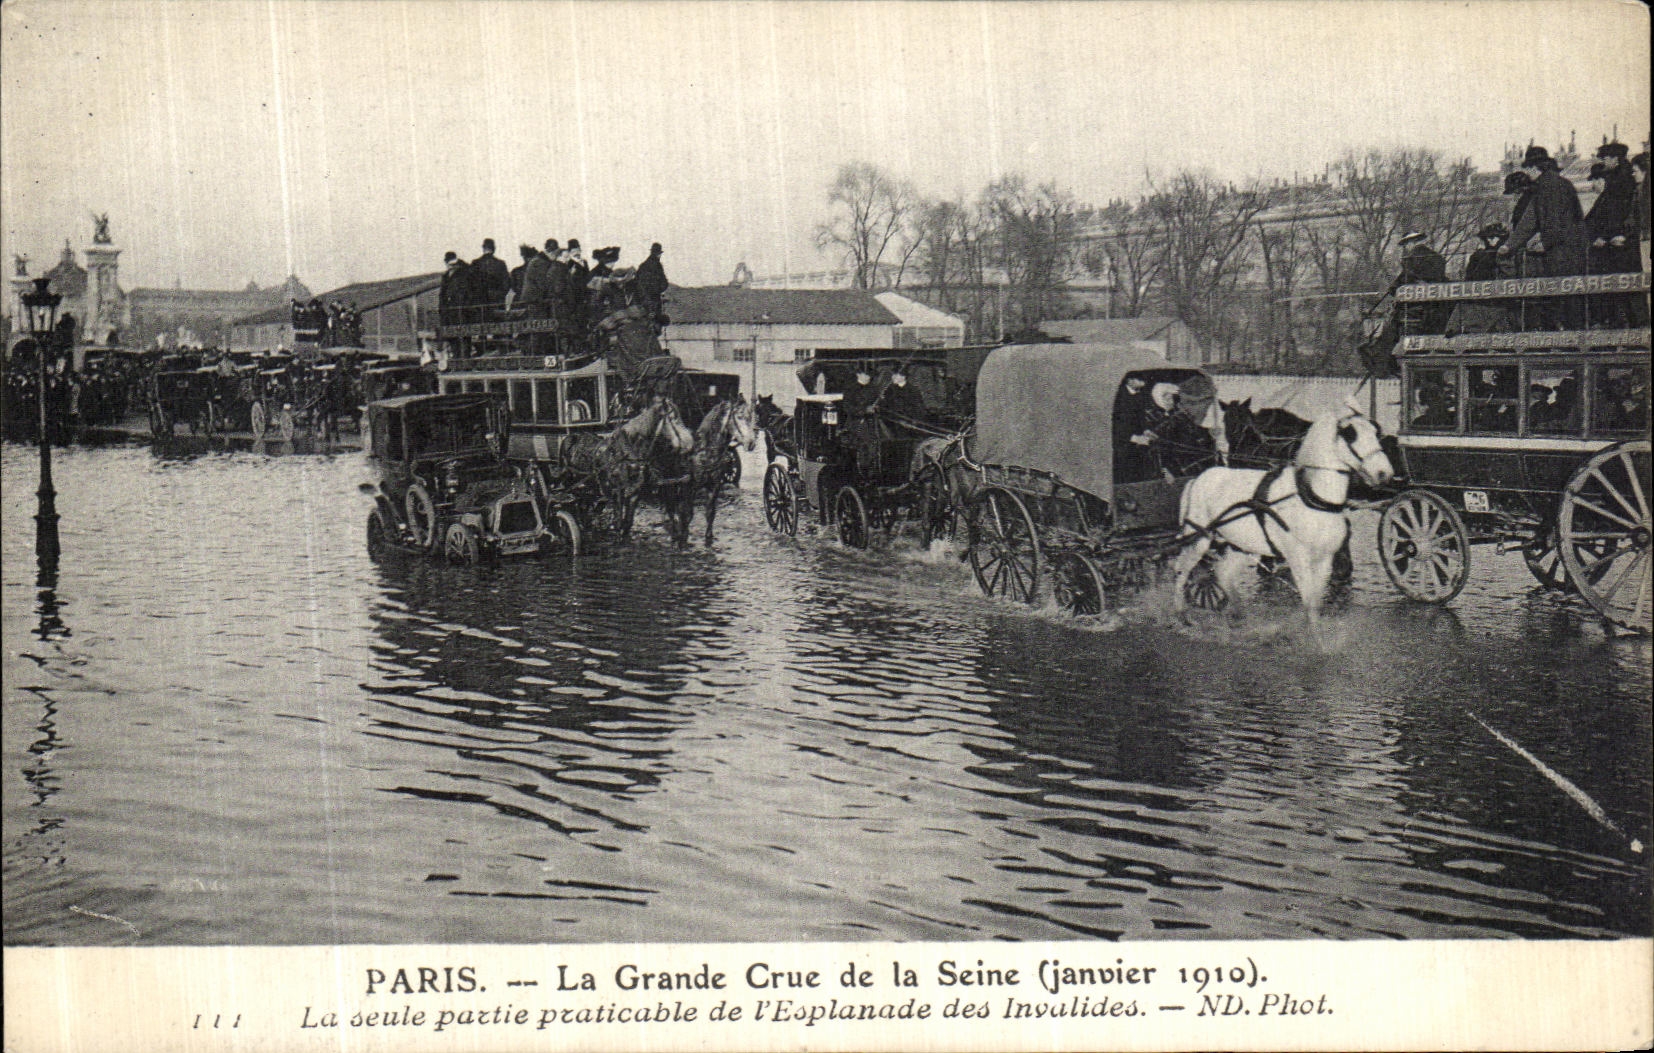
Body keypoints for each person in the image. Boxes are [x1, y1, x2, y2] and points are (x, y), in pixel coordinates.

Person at [1501, 145, 1587, 329]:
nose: (1527, 172)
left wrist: (1543, 242)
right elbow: (1530, 220)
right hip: (1559, 249)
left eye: (1528, 168)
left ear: (1535, 168)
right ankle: (1570, 340)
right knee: (1561, 297)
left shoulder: (1552, 186)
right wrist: (1511, 245)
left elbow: (1558, 221)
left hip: (1566, 250)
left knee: (1567, 296)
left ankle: (1575, 341)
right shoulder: (1545, 186)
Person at [1584, 142, 1647, 328]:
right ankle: (1631, 327)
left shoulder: (1621, 181)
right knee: (1625, 288)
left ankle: (1634, 328)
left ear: (1615, 159)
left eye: (1604, 158)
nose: (1603, 162)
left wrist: (1607, 234)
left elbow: (1616, 213)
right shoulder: (1621, 179)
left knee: (1626, 287)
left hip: (1621, 243)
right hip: (1617, 241)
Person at [1452, 224, 1510, 334]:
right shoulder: (1478, 256)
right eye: (1488, 238)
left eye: (1493, 237)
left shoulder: (1506, 254)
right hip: (1478, 297)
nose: (1490, 240)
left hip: (1499, 298)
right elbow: (1470, 276)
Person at [471, 238, 512, 317]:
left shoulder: (475, 263)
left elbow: (470, 284)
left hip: (479, 304)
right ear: (494, 249)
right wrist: (499, 295)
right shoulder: (500, 264)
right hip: (497, 303)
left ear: (483, 248)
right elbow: (507, 284)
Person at [636, 242, 668, 319]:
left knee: (646, 322)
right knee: (655, 323)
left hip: (642, 300)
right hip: (654, 299)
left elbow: (637, 282)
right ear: (658, 254)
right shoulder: (658, 265)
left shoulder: (642, 265)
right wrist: (661, 289)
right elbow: (664, 283)